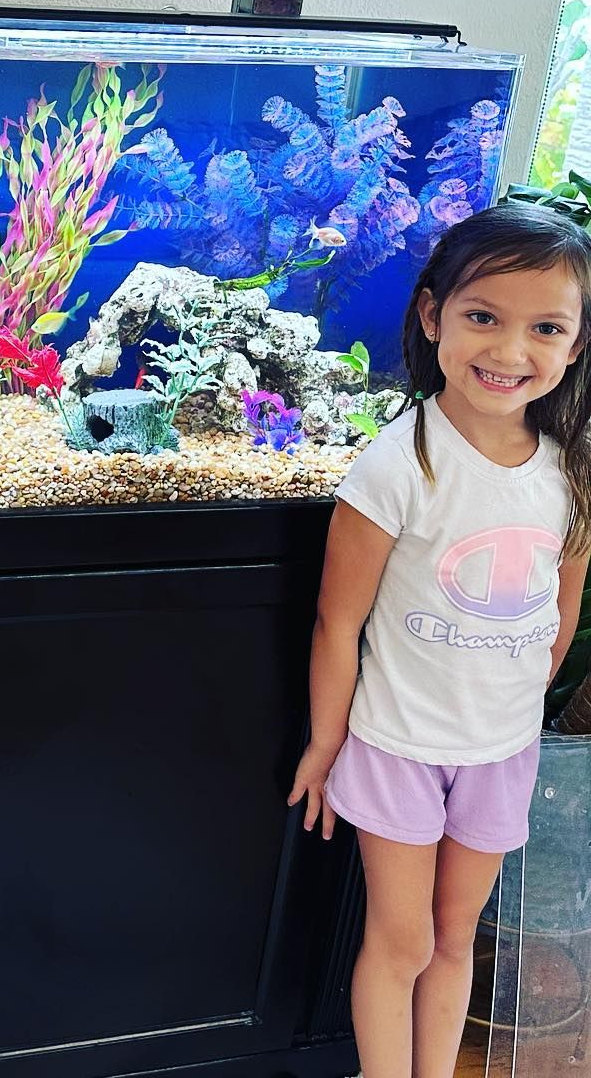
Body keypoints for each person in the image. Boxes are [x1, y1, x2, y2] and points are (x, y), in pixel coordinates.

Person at [287, 201, 591, 1077]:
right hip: (397, 749)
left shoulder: (570, 471)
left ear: (575, 346)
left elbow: (561, 611)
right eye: (482, 318)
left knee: (456, 934)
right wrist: (326, 743)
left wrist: (512, 707)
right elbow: (338, 620)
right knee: (403, 937)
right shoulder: (398, 463)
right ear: (433, 317)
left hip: (500, 750)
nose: (509, 351)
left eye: (545, 328)